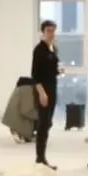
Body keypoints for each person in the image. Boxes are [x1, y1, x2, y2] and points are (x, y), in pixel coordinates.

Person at [31, 21, 59, 168]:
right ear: (43, 32)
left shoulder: (53, 49)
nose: (51, 33)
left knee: (47, 124)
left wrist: (58, 71)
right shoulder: (39, 50)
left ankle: (42, 157)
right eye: (48, 30)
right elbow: (35, 75)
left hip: (52, 89)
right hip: (43, 91)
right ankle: (40, 158)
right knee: (43, 125)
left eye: (53, 30)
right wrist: (42, 93)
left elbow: (51, 70)